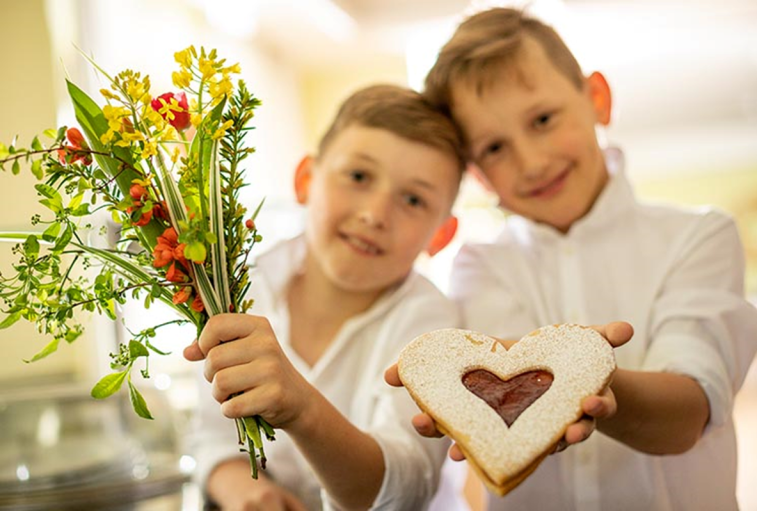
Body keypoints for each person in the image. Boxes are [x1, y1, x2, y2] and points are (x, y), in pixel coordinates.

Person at [389, 7, 757, 511]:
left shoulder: (698, 235)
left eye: (542, 119)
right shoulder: (478, 265)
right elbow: (496, 410)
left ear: (597, 100)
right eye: (495, 147)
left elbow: (689, 412)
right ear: (478, 176)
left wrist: (588, 375)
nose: (532, 162)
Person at [183, 84, 468, 511]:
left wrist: (302, 408)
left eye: (413, 199)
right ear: (306, 181)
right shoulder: (244, 289)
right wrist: (244, 489)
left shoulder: (433, 327)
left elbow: (404, 486)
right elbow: (210, 435)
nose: (374, 214)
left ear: (441, 235)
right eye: (358, 177)